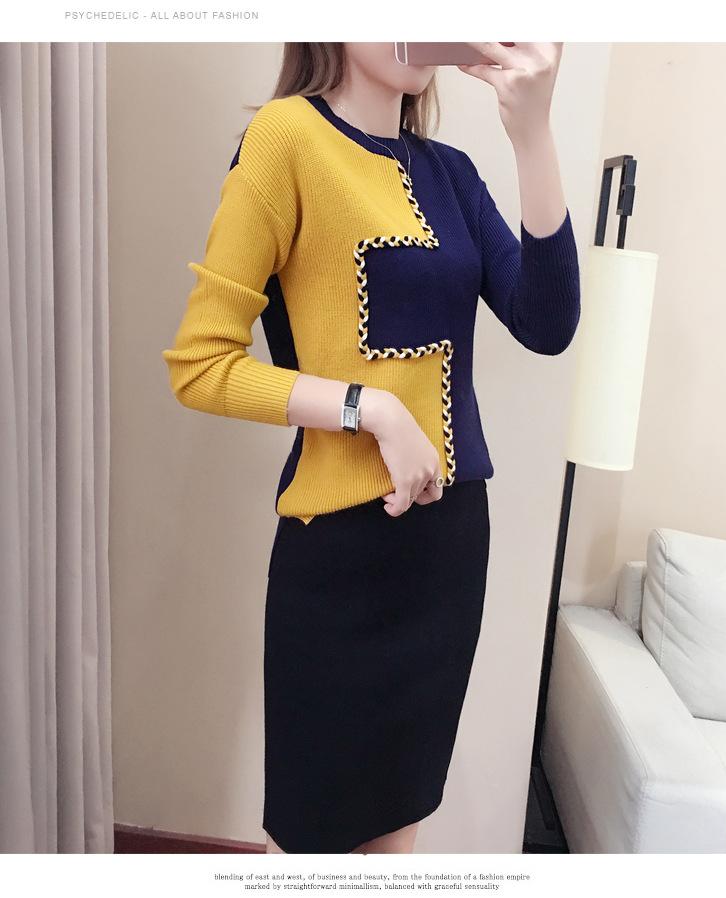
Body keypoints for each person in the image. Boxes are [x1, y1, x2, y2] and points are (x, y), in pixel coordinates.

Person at [161, 41, 581, 854]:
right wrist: (370, 409)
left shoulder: (453, 175)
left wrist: (533, 132)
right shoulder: (286, 138)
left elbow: (548, 321)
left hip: (446, 555)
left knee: (396, 841)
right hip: (339, 561)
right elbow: (201, 365)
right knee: (311, 843)